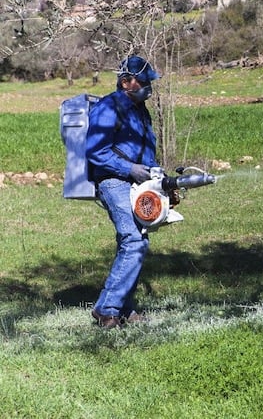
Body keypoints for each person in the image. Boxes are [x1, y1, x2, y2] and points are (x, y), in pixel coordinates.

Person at [86, 55, 161, 329]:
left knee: (136, 241)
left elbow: (145, 150)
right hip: (112, 180)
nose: (147, 86)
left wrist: (156, 178)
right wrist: (129, 169)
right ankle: (107, 309)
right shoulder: (108, 107)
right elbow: (95, 151)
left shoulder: (140, 109)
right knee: (133, 240)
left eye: (148, 81)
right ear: (125, 81)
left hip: (137, 180)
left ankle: (124, 308)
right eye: (142, 81)